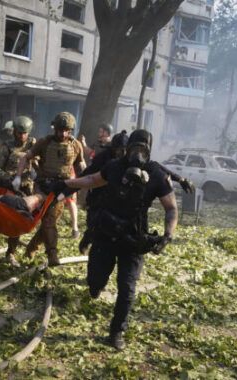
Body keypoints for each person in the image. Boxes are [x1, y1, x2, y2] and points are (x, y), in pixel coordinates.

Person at [62, 129, 178, 350]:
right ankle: (95, 287)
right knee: (95, 282)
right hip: (106, 234)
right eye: (135, 148)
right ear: (127, 148)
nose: (138, 154)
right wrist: (67, 184)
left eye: (143, 150)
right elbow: (91, 180)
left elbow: (171, 208)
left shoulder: (156, 174)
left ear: (149, 151)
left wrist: (168, 235)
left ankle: (116, 331)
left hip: (134, 240)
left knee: (127, 288)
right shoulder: (115, 167)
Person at [79, 130, 194, 256]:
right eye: (119, 150)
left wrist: (180, 179)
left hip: (125, 196)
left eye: (124, 149)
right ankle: (89, 236)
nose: (122, 153)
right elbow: (88, 175)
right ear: (114, 149)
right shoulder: (105, 158)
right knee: (98, 216)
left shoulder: (138, 160)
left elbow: (158, 168)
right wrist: (70, 185)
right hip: (102, 190)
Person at [16, 112, 86, 266]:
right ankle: (52, 254)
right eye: (60, 130)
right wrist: (18, 176)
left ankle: (31, 249)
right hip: (43, 187)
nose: (63, 133)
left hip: (62, 188)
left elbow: (81, 165)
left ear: (71, 130)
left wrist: (85, 181)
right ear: (55, 128)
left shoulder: (75, 145)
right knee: (47, 220)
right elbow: (26, 157)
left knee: (50, 221)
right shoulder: (43, 142)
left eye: (66, 130)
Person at [0, 115, 37, 267]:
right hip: (9, 189)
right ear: (14, 132)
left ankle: (10, 253)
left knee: (19, 221)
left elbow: (40, 162)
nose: (21, 136)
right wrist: (10, 179)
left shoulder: (34, 145)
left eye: (24, 133)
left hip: (27, 189)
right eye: (18, 133)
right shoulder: (6, 147)